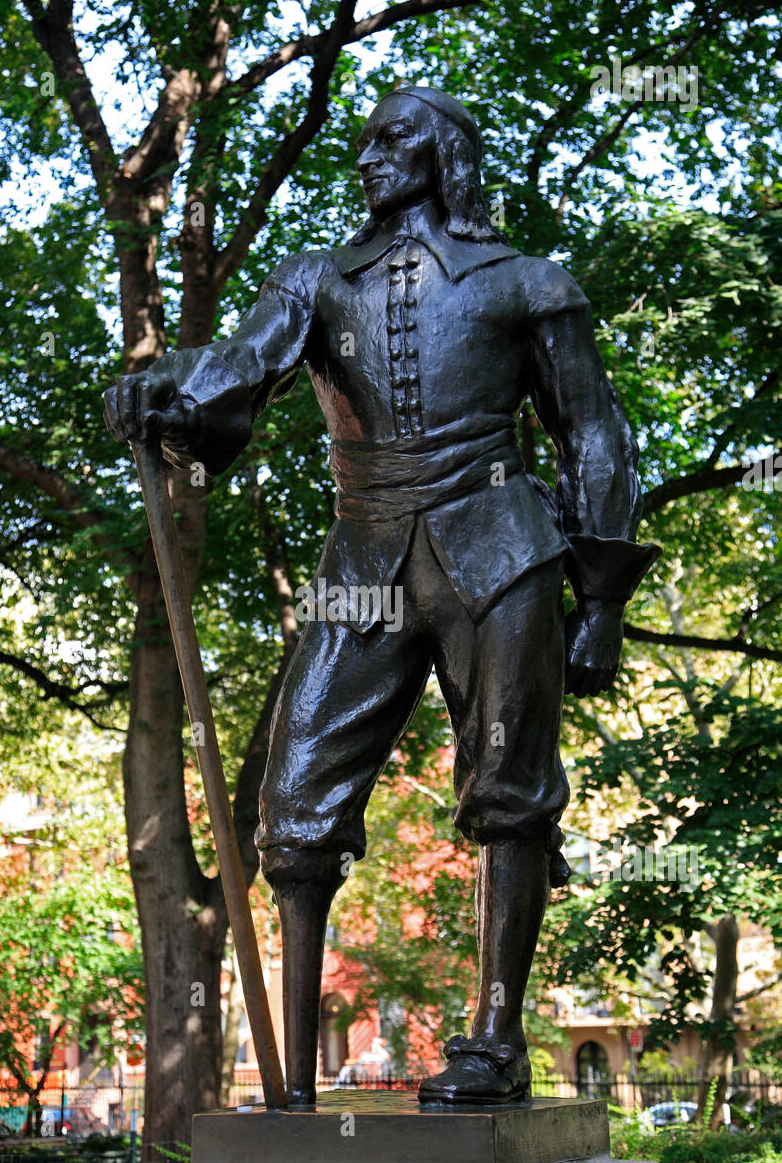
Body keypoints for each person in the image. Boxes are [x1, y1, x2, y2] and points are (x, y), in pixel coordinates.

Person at [105, 86, 659, 1107]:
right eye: (359, 142)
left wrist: (603, 597)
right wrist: (165, 385)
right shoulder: (316, 279)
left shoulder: (527, 281)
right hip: (361, 561)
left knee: (508, 790)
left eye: (390, 138)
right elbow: (239, 368)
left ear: (445, 152)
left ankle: (492, 1040)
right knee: (293, 798)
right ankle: (291, 1096)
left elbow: (594, 434)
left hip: (499, 550)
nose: (366, 158)